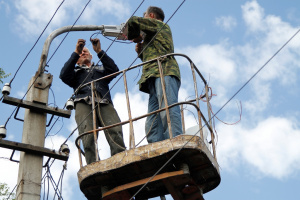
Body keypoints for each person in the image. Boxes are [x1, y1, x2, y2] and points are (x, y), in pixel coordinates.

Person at [60, 38, 126, 164]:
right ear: (77, 59)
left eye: (85, 52)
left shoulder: (100, 70)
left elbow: (114, 69)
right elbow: (63, 75)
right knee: (88, 137)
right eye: (81, 54)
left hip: (103, 101)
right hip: (83, 101)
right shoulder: (75, 73)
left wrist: (99, 51)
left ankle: (121, 160)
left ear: (91, 56)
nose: (83, 53)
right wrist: (76, 51)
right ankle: (94, 165)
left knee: (115, 129)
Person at [126, 6, 182, 143]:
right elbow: (153, 55)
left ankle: (176, 140)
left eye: (145, 15)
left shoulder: (159, 25)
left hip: (164, 70)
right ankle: (157, 144)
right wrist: (141, 52)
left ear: (151, 16)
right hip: (153, 75)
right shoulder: (153, 34)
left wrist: (135, 35)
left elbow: (133, 21)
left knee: (167, 109)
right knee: (153, 119)